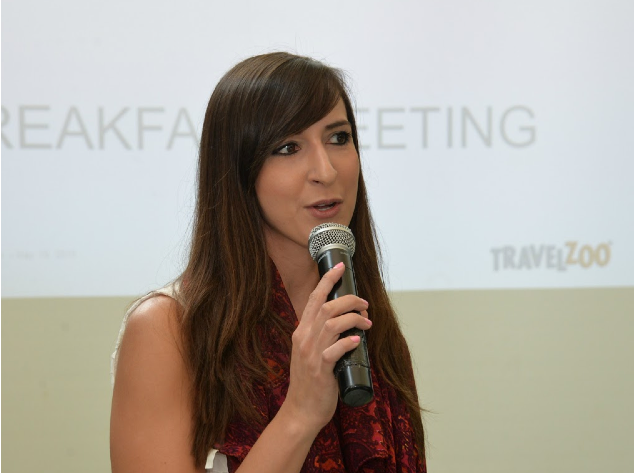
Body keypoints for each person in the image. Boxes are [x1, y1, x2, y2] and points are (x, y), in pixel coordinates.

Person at [110, 52, 426, 473]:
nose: (326, 170)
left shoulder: (364, 321)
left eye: (338, 138)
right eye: (288, 147)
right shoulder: (167, 328)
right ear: (239, 169)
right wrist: (300, 414)